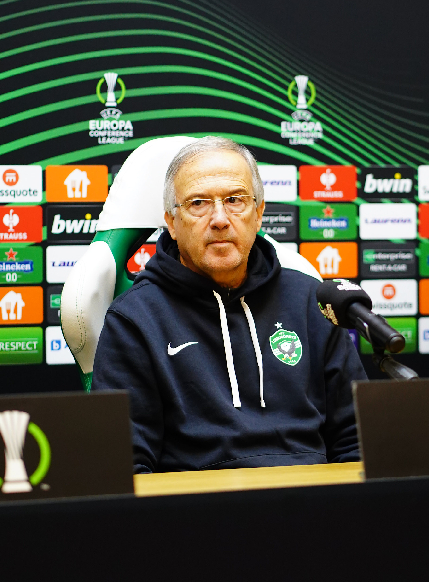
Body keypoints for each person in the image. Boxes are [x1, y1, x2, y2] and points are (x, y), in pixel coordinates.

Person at [92, 137, 367, 473]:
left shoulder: (313, 301)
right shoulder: (134, 319)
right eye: (198, 203)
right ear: (172, 223)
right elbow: (125, 464)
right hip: (199, 501)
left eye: (235, 200)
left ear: (258, 213)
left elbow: (358, 441)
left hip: (313, 496)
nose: (220, 219)